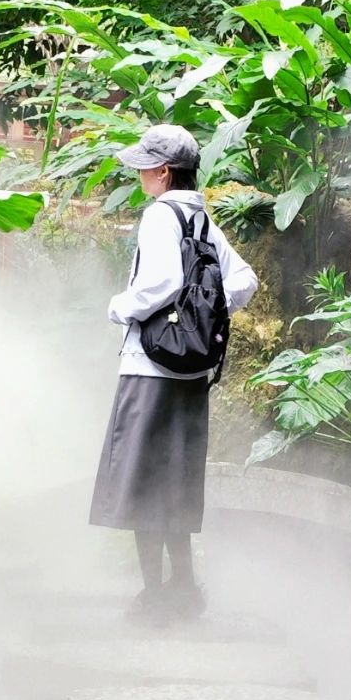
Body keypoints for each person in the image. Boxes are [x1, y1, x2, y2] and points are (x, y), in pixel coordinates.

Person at [89, 123, 258, 619]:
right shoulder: (203, 221)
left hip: (149, 370)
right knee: (177, 483)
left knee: (142, 482)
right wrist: (206, 309)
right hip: (190, 375)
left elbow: (160, 281)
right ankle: (185, 589)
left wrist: (119, 307)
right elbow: (244, 280)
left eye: (145, 166)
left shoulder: (160, 215)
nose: (140, 174)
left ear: (163, 171)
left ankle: (154, 596)